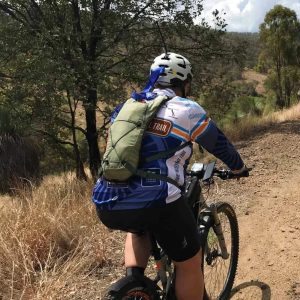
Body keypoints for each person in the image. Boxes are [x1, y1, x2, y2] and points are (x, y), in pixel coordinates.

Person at [92, 52, 248, 300]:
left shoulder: (127, 106)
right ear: (184, 83)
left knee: (138, 228)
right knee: (189, 263)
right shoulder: (187, 108)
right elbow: (218, 143)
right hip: (158, 202)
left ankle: (136, 286)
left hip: (108, 200)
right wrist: (239, 168)